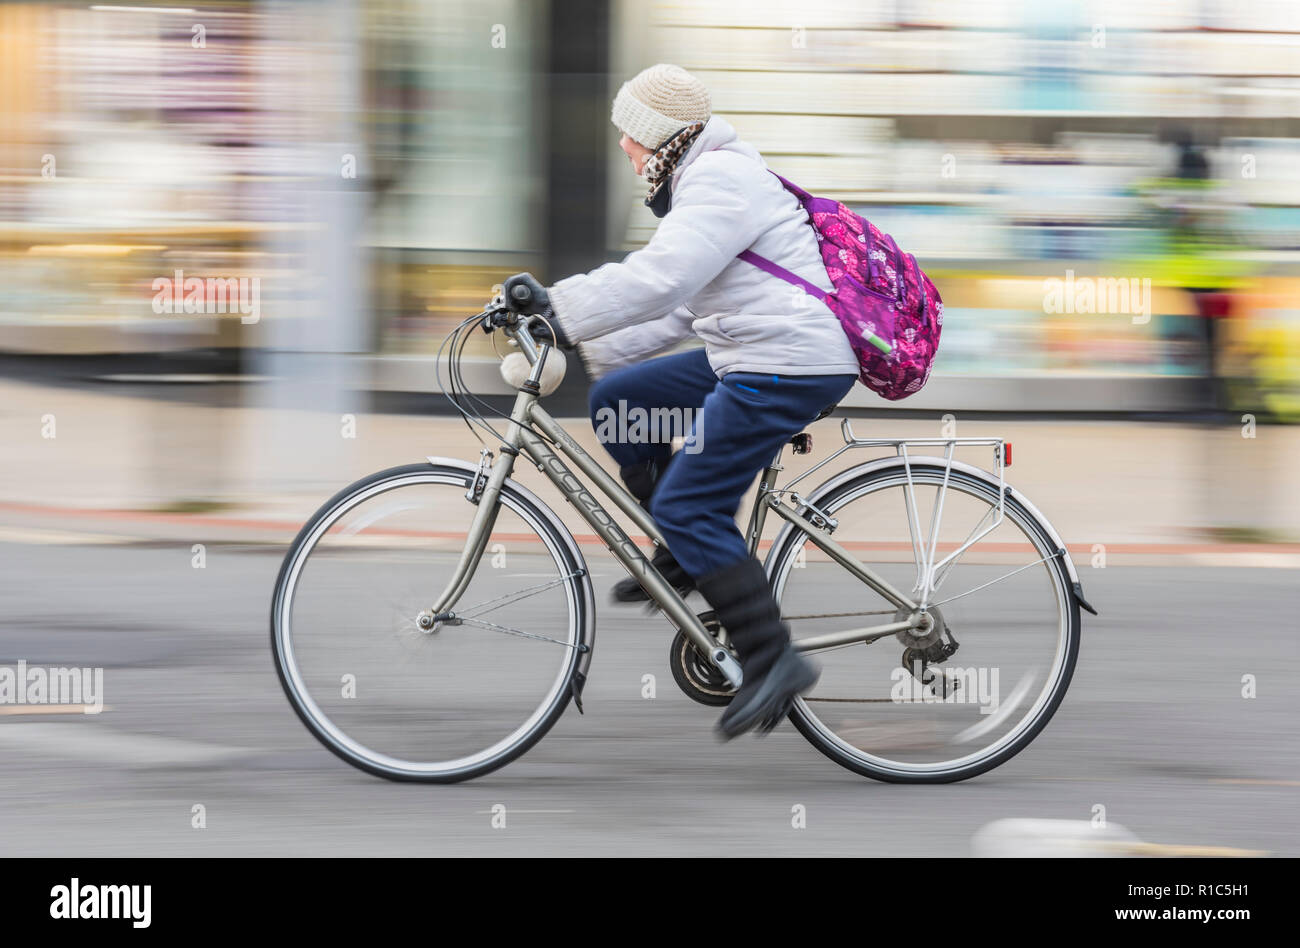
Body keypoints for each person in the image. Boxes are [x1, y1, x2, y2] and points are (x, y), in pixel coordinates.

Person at [502, 64, 858, 739]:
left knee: (689, 502)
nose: (623, 148)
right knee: (617, 399)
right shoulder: (705, 183)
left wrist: (558, 306)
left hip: (787, 363)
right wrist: (576, 343)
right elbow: (675, 311)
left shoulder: (721, 180)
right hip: (753, 352)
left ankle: (771, 657)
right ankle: (684, 549)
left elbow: (661, 281)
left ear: (660, 137)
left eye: (629, 136)